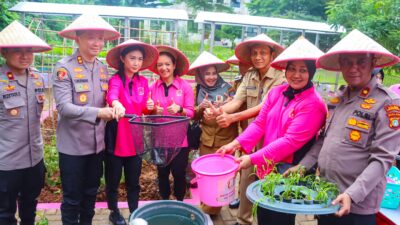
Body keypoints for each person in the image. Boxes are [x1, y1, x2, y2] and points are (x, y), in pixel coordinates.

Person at [286, 29, 400, 225]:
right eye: (347, 62)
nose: (353, 68)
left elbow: (383, 159)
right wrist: (302, 166)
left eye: (361, 62)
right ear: (340, 65)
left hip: (358, 204)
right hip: (327, 193)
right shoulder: (338, 99)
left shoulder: (388, 102)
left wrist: (352, 194)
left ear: (372, 63)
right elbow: (323, 140)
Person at [218, 36, 327, 225]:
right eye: (292, 69)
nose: (296, 75)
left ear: (311, 72)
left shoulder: (314, 104)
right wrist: (234, 144)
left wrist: (251, 159)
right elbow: (259, 123)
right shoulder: (277, 92)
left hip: (289, 171)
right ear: (285, 70)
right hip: (267, 168)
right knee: (264, 213)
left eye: (303, 70)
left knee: (280, 218)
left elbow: (289, 142)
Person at [206, 33, 286, 225]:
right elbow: (237, 101)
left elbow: (264, 108)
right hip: (250, 136)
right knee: (245, 179)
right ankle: (243, 221)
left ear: (272, 55)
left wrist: (233, 117)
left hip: (272, 138)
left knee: (269, 181)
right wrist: (218, 111)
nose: (258, 57)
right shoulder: (249, 75)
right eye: (255, 53)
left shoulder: (281, 77)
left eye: (263, 53)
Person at [52, 14, 120, 225]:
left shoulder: (101, 68)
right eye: (91, 37)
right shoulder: (64, 68)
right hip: (72, 148)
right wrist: (98, 113)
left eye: (100, 38)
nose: (97, 43)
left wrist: (114, 104)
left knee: (91, 194)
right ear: (77, 39)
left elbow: (105, 99)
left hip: (96, 146)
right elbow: (64, 107)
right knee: (72, 199)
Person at [0, 21, 51, 225]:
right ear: (4, 53)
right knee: (5, 213)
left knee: (30, 207)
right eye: (17, 50)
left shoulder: (38, 79)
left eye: (29, 50)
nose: (24, 55)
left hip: (34, 159)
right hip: (7, 162)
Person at [104, 39, 158, 225]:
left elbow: (143, 108)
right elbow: (112, 94)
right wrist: (116, 103)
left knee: (133, 180)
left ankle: (134, 212)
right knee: (113, 180)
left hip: (135, 138)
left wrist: (149, 107)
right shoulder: (116, 80)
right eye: (132, 58)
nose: (136, 62)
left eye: (140, 59)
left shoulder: (143, 81)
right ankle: (114, 211)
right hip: (116, 136)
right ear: (122, 58)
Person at [186, 51, 237, 215]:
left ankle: (210, 211)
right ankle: (207, 206)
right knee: (206, 177)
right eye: (207, 73)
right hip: (206, 140)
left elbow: (236, 111)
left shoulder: (230, 89)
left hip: (226, 140)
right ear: (201, 75)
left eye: (214, 73)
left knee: (221, 179)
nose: (211, 77)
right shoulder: (198, 90)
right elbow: (193, 114)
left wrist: (223, 109)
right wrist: (200, 109)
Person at [147, 45, 194, 201]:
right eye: (160, 64)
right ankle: (165, 200)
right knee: (162, 174)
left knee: (179, 174)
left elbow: (191, 112)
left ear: (174, 66)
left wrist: (180, 109)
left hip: (180, 142)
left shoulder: (185, 86)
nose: (164, 68)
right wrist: (153, 111)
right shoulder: (152, 87)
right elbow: (147, 112)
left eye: (167, 64)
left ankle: (180, 201)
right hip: (159, 141)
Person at [225, 54, 251, 209]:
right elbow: (235, 100)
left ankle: (247, 200)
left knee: (252, 169)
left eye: (244, 63)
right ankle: (241, 197)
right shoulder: (238, 81)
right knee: (242, 166)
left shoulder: (259, 79)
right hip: (244, 127)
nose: (242, 67)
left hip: (256, 127)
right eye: (240, 64)